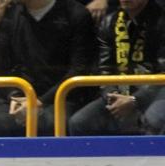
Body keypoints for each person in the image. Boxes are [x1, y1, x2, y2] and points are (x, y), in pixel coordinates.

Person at [0, 0, 96, 137]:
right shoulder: (9, 14)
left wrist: (39, 101)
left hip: (58, 97)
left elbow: (79, 70)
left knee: (50, 125)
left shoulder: (75, 13)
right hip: (18, 95)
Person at [68, 0, 165, 136]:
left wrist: (135, 99)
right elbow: (104, 69)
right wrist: (112, 95)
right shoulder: (109, 22)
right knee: (80, 122)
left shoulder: (161, 20)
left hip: (155, 92)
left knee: (154, 119)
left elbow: (162, 73)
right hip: (120, 91)